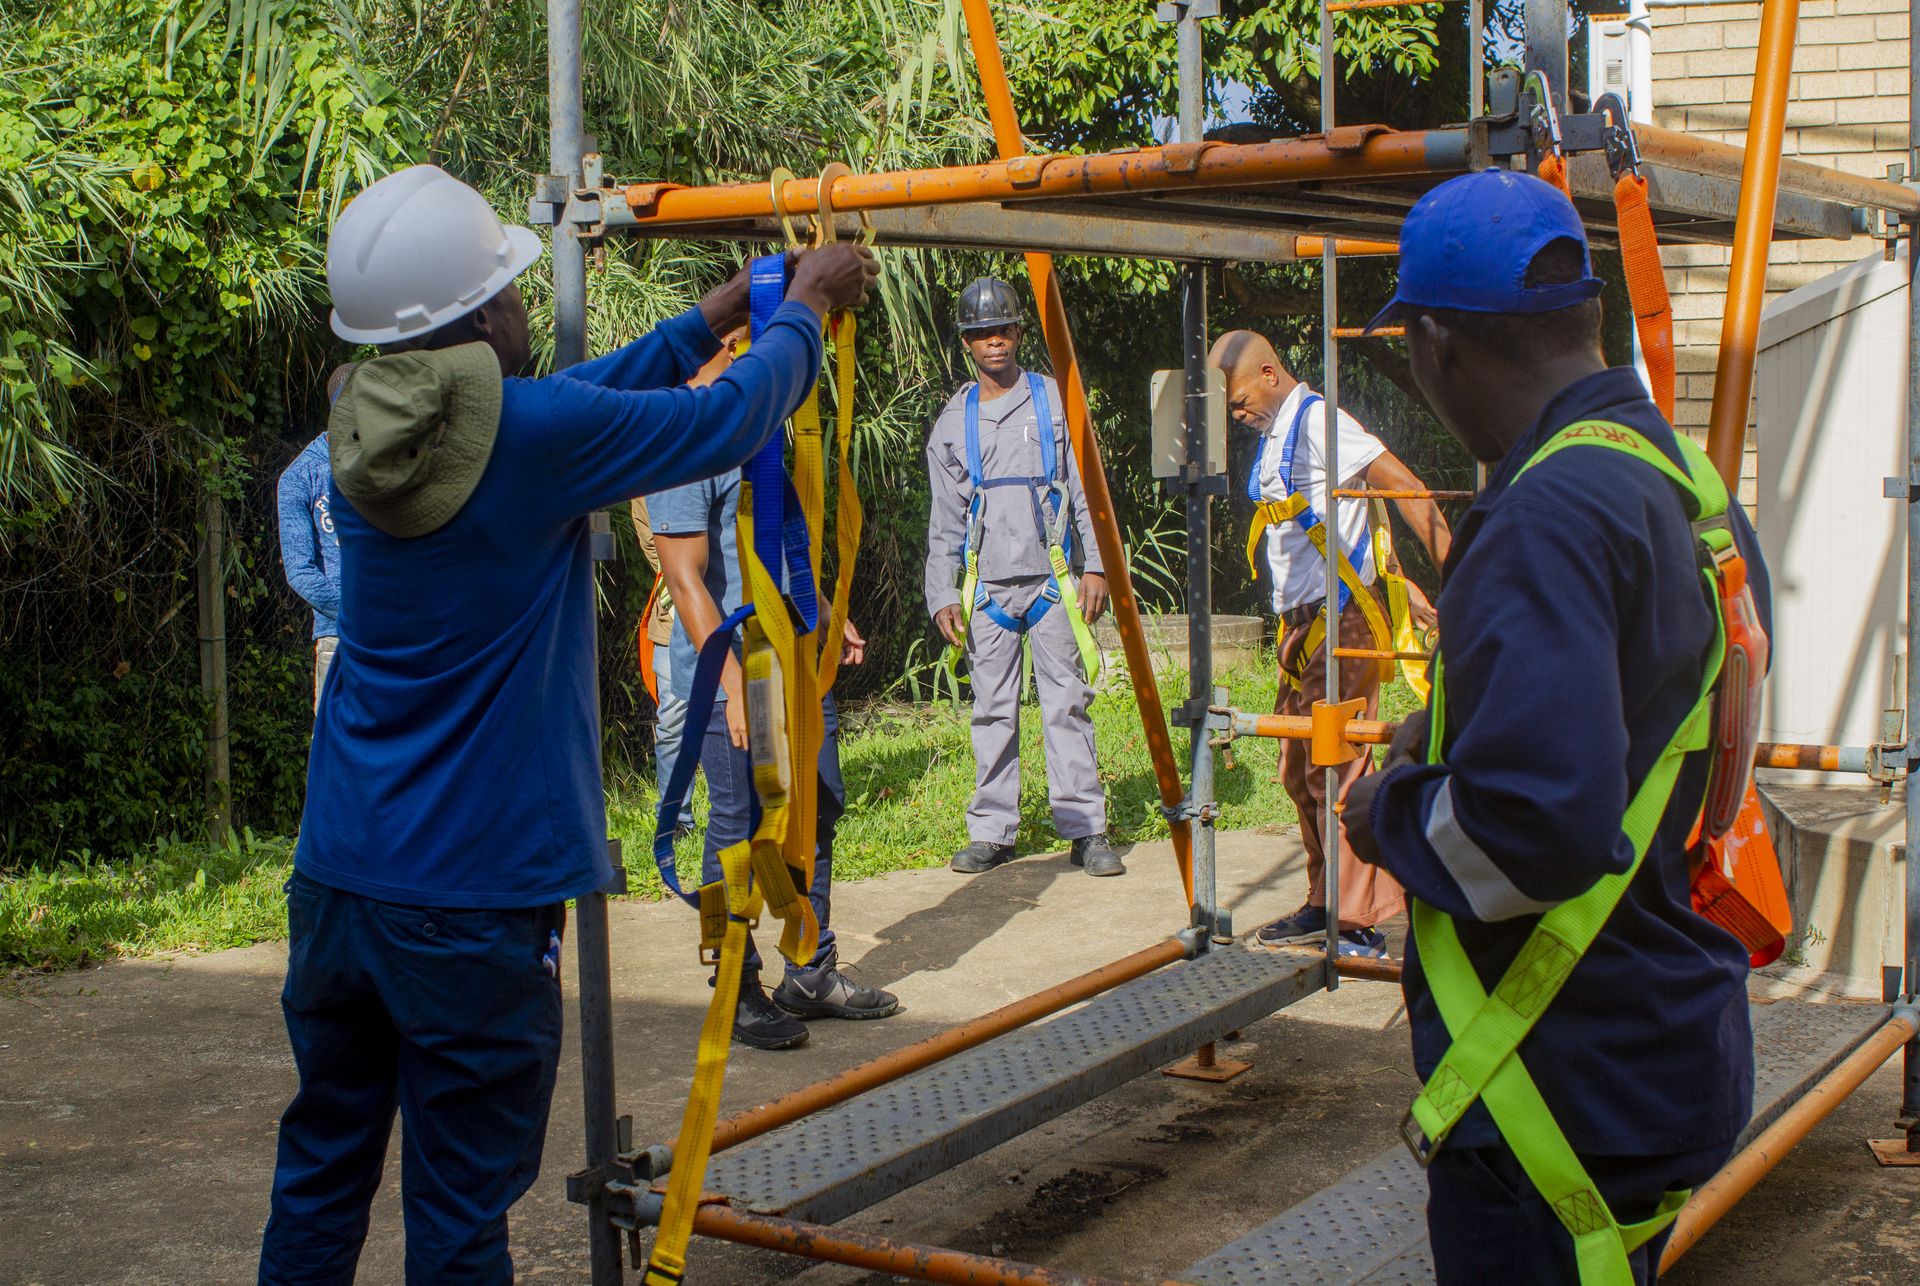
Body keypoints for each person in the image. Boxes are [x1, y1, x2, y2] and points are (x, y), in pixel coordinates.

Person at [258, 163, 876, 1284]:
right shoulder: (529, 436)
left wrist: (711, 316)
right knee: (455, 1207)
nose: (519, 305)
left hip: (341, 876)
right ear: (475, 316)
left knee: (323, 1168)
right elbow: (730, 414)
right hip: (467, 900)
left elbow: (573, 400)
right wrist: (806, 310)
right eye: (506, 290)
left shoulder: (365, 428)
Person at [1342, 168, 1766, 1283]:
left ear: (1436, 342)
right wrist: (1443, 729)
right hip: (1664, 1040)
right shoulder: (1680, 485)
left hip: (1564, 1075)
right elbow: (1657, 704)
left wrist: (1384, 807)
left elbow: (1531, 833)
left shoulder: (1540, 518)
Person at [1208, 329, 1451, 958]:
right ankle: (1324, 903)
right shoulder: (1275, 439)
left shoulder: (1318, 422)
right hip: (1305, 627)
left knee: (1335, 763)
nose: (1236, 416)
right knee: (1298, 767)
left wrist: (1462, 581)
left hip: (1341, 622)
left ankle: (1359, 917)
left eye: (1237, 401)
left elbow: (1405, 490)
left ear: (1268, 372)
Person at [650, 461, 899, 1050]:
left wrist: (826, 617)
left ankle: (810, 972)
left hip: (798, 656)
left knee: (817, 808)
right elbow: (685, 580)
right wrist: (735, 685)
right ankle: (735, 984)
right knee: (739, 827)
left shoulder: (764, 435)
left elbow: (779, 550)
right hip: (731, 671)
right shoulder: (689, 444)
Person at [924, 277, 1119, 877]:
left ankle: (1086, 829)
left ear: (1019, 333)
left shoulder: (1055, 401)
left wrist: (1099, 566)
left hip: (1055, 582)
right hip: (987, 590)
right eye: (982, 333)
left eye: (1003, 330)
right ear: (967, 343)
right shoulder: (953, 424)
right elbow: (945, 519)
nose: (994, 342)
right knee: (992, 711)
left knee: (1067, 706)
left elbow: (1087, 490)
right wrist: (941, 594)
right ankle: (992, 831)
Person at [631, 329, 744, 839]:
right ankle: (673, 817)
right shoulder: (671, 445)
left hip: (733, 614)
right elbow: (667, 557)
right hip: (681, 607)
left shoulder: (739, 435)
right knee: (677, 719)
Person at [276, 365, 356, 713]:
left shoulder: (395, 466)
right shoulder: (301, 476)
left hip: (404, 632)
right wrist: (358, 613)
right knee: (337, 752)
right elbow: (299, 571)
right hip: (339, 637)